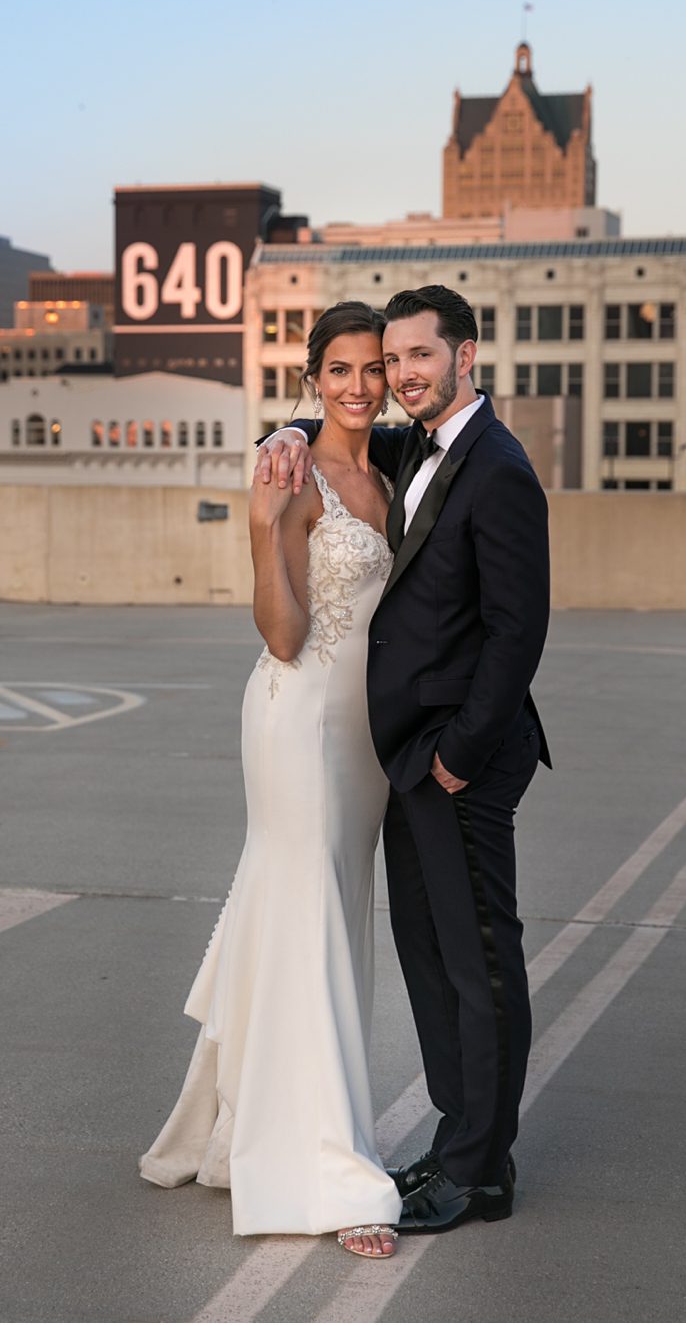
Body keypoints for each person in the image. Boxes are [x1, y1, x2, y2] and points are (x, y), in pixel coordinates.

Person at [257, 283, 553, 1237]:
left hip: (459, 756)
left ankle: (480, 1173)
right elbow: (332, 427)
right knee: (430, 960)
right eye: (395, 360)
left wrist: (461, 754)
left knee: (479, 964)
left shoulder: (497, 468)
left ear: (466, 356)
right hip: (405, 757)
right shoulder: (409, 447)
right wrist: (283, 429)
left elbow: (518, 630)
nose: (403, 374)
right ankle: (461, 1141)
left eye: (421, 355)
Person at [139, 302, 404, 1258]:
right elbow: (285, 635)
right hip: (299, 719)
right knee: (308, 923)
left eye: (372, 369)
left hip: (366, 738)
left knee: (325, 916)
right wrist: (261, 527)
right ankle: (328, 1167)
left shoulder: (393, 470)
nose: (359, 387)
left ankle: (238, 1123)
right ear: (312, 379)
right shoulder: (291, 478)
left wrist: (287, 431)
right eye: (339, 371)